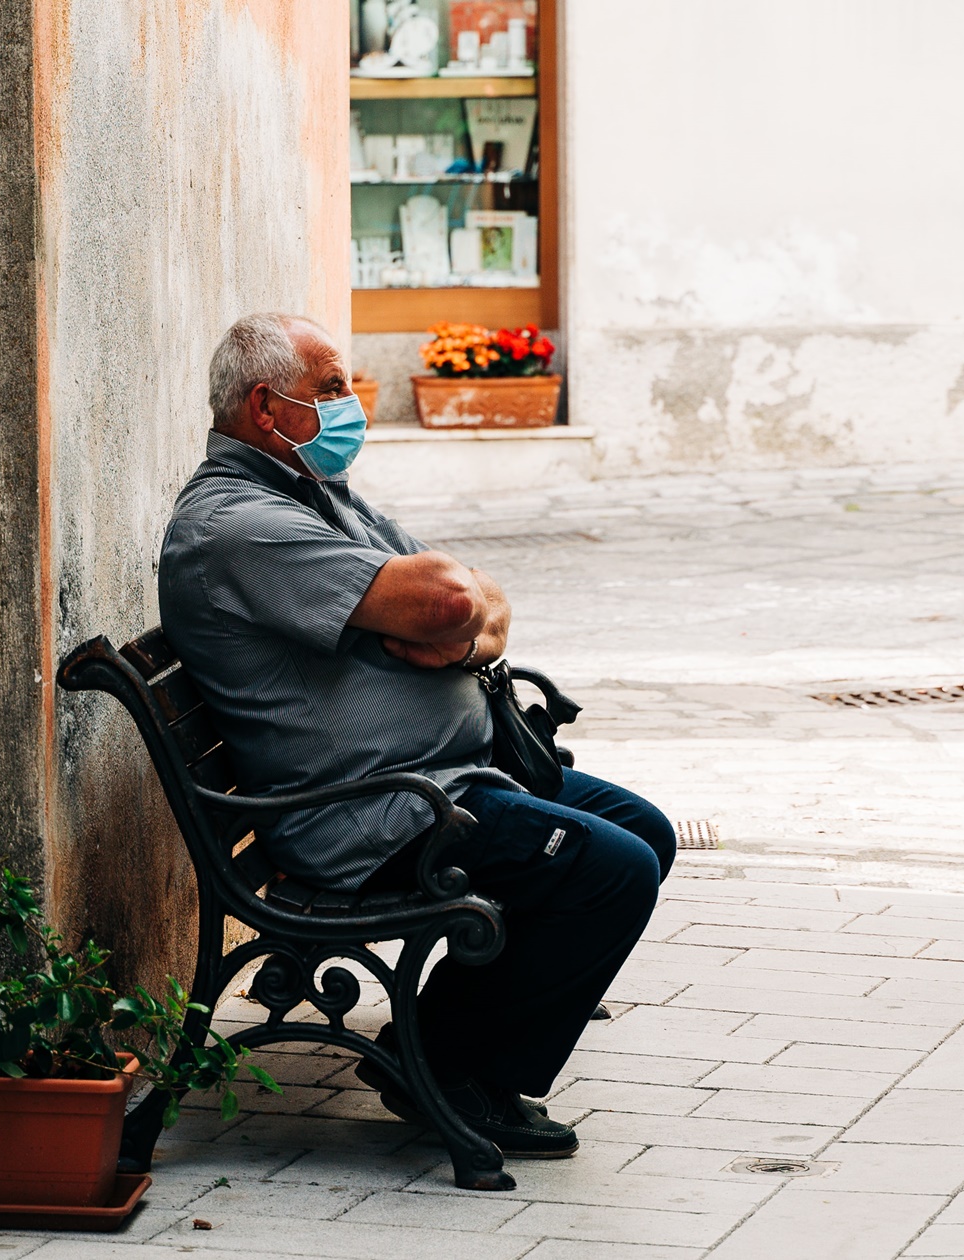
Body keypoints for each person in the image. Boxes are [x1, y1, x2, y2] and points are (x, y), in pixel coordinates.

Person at [158, 313, 675, 1159]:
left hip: (445, 780)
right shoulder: (238, 526)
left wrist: (465, 634)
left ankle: (429, 1045)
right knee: (609, 871)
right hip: (368, 814)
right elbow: (446, 595)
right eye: (330, 388)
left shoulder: (316, 494)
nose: (350, 404)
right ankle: (451, 1068)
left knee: (644, 830)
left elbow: (478, 596)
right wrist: (454, 617)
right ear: (264, 407)